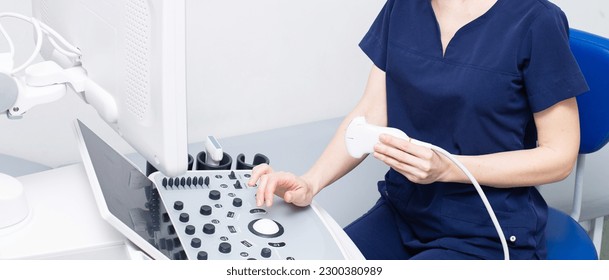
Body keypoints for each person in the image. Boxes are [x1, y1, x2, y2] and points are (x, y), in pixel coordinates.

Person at [247, 0, 589, 260]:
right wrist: (311, 182)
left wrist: (449, 167)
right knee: (324, 265)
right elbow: (370, 112)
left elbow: (558, 158)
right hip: (403, 211)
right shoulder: (403, 7)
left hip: (486, 229)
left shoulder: (535, 20)